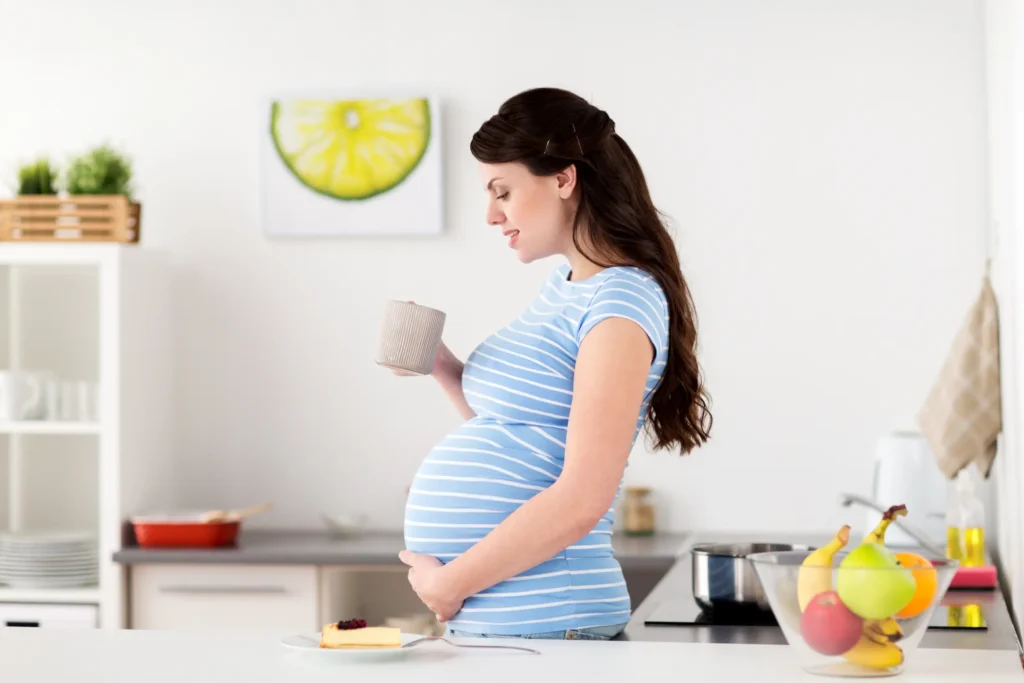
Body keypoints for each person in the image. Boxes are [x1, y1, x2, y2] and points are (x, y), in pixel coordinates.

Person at [395, 87, 712, 641]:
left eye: (503, 192)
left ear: (564, 179)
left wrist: (451, 585)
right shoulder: (566, 286)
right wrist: (444, 367)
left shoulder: (620, 302)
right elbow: (523, 435)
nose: (491, 215)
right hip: (511, 623)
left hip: (550, 619)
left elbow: (582, 498)